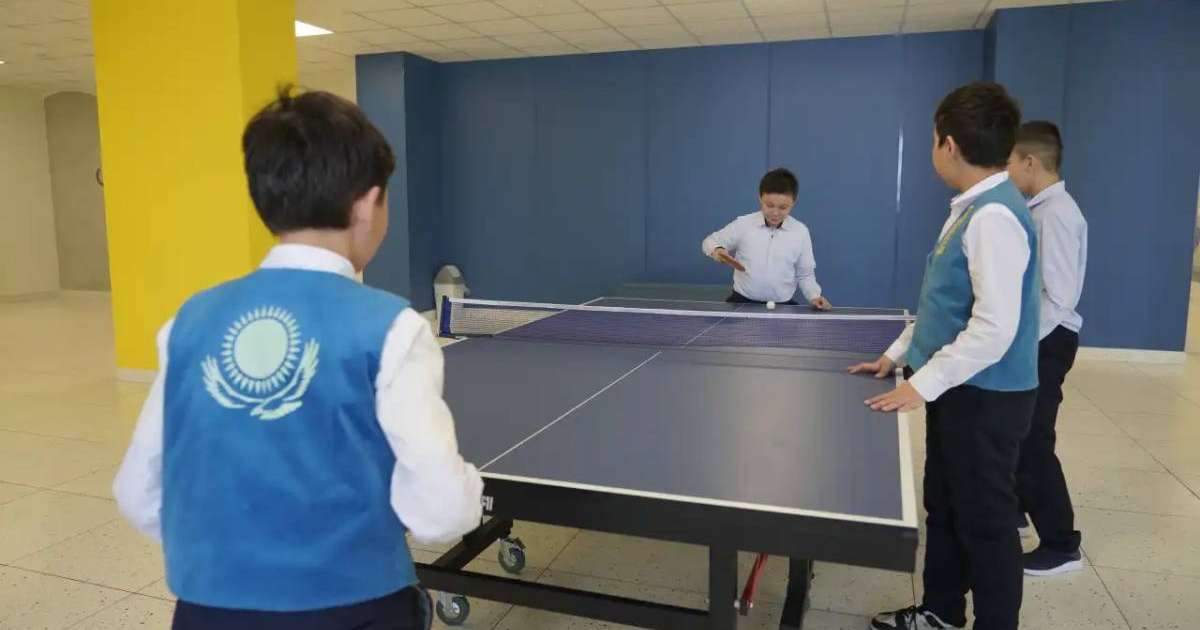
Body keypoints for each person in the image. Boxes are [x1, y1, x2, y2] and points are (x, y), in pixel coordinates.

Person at [112, 87, 484, 630]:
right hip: (356, 609)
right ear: (366, 202)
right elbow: (441, 511)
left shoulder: (187, 321)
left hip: (207, 612)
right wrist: (471, 493)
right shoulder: (391, 326)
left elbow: (137, 494)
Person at [850, 82, 1039, 630]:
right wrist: (897, 355)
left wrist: (921, 384)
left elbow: (994, 328)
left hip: (987, 399)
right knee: (948, 507)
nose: (935, 147)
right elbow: (943, 305)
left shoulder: (994, 217)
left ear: (949, 145)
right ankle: (941, 613)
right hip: (962, 392)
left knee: (986, 522)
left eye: (934, 138)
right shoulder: (971, 208)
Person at [1007, 121, 1088, 576]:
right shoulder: (1040, 208)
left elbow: (1059, 298)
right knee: (1021, 431)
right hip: (1039, 338)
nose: (1007, 171)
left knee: (1035, 439)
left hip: (1048, 340)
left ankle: (1061, 543)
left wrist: (1014, 342)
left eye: (1010, 162)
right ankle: (1018, 507)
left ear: (1030, 162)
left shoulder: (1054, 214)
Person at [701, 168, 833, 309]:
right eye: (769, 205)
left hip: (783, 305)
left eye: (783, 207)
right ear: (760, 198)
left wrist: (814, 296)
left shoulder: (800, 232)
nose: (775, 213)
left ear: (793, 203)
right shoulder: (743, 224)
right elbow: (709, 242)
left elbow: (805, 274)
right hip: (741, 302)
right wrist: (717, 250)